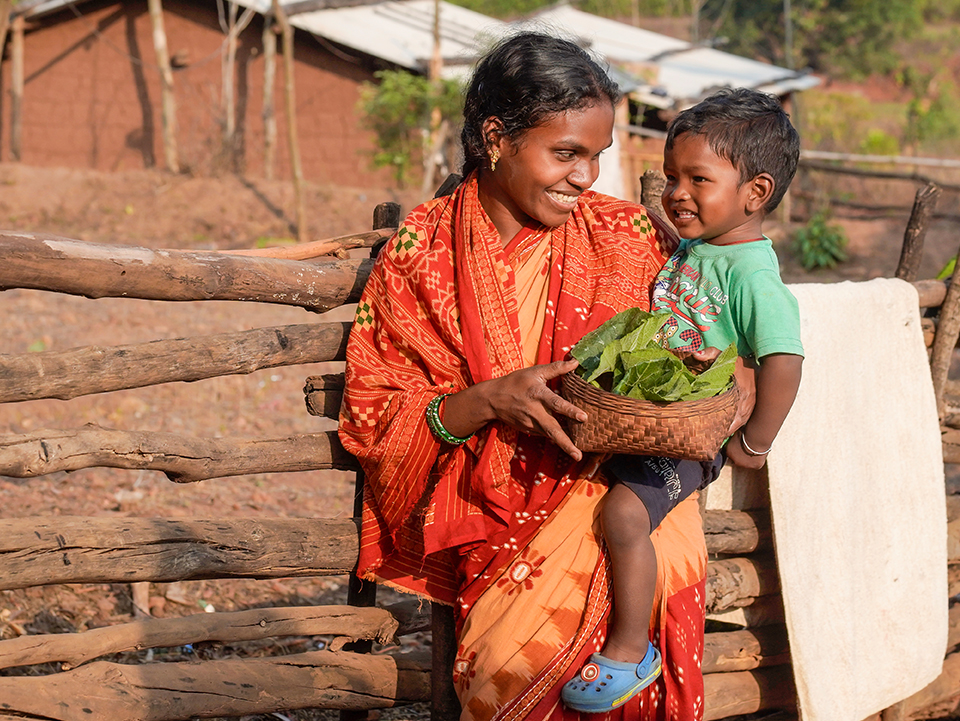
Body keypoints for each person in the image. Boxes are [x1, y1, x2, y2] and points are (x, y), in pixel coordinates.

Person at [339, 32, 753, 721]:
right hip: (498, 541)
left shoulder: (630, 237)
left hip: (626, 508)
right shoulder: (422, 252)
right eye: (565, 154)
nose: (586, 177)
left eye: (597, 156)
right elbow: (377, 416)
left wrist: (717, 378)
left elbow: (713, 347)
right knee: (512, 673)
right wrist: (483, 402)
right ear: (496, 138)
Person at [563, 88, 805, 712]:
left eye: (698, 179)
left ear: (755, 192)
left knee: (624, 517)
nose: (676, 193)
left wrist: (754, 443)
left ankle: (630, 650)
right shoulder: (698, 249)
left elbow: (784, 359)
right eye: (672, 177)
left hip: (689, 435)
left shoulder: (751, 274)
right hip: (650, 415)